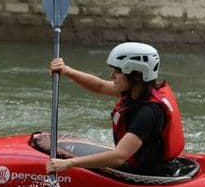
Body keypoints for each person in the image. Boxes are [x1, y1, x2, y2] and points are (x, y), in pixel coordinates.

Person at [45, 42, 185, 176]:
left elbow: (119, 157)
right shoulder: (141, 91)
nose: (112, 76)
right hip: (149, 163)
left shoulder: (148, 113)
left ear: (135, 75)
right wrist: (67, 71)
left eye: (117, 71)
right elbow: (99, 86)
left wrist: (68, 164)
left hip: (150, 174)